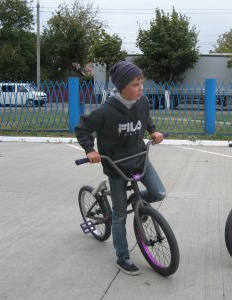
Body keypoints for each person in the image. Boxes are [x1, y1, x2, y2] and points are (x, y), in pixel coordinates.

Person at [75, 61, 166, 276]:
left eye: (142, 82)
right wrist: (90, 150)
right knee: (119, 216)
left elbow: (145, 119)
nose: (141, 87)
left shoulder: (142, 101)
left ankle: (135, 204)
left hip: (139, 158)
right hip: (116, 166)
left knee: (158, 192)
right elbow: (82, 129)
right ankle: (123, 256)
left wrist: (153, 131)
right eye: (136, 84)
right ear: (122, 85)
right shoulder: (106, 111)